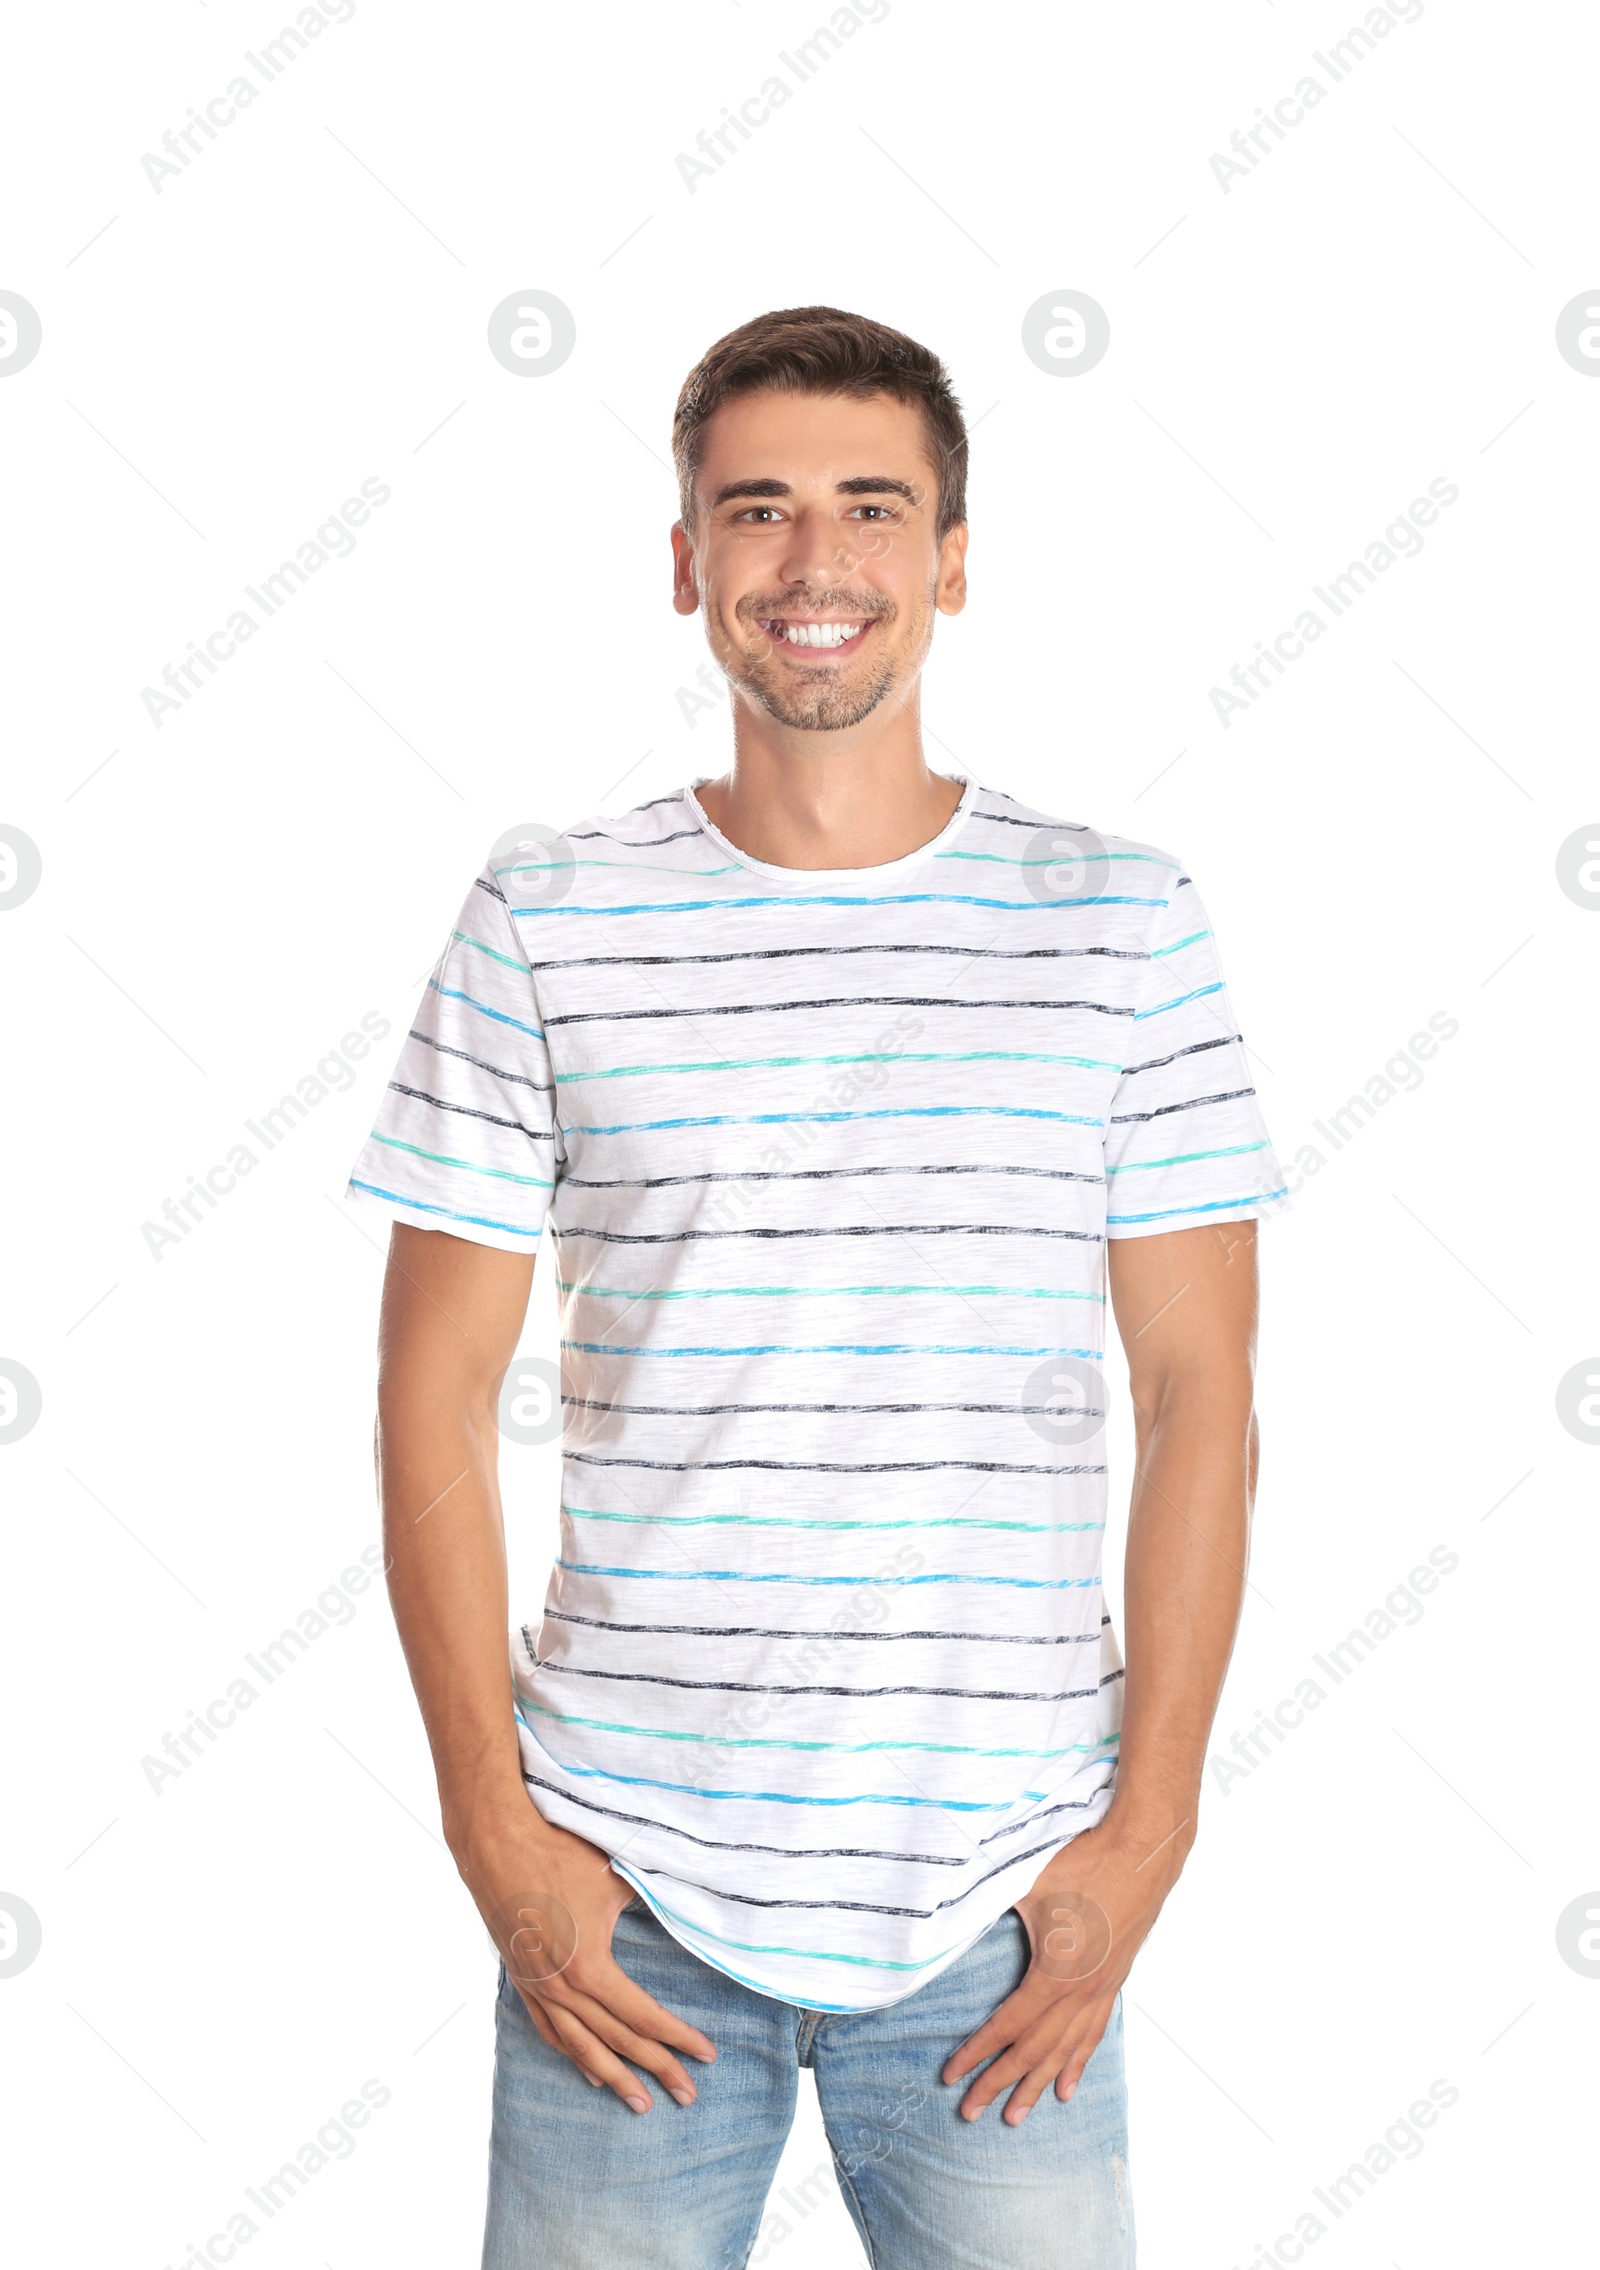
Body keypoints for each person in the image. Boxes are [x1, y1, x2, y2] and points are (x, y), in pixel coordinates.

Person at [348, 306, 1286, 2269]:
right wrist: (496, 1842)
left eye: (870, 506)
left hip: (1000, 1898)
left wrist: (1146, 1837)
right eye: (754, 510)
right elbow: (429, 1398)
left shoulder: (1123, 924)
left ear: (949, 559)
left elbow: (1200, 1397)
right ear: (686, 565)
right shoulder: (547, 914)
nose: (812, 561)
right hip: (623, 1894)